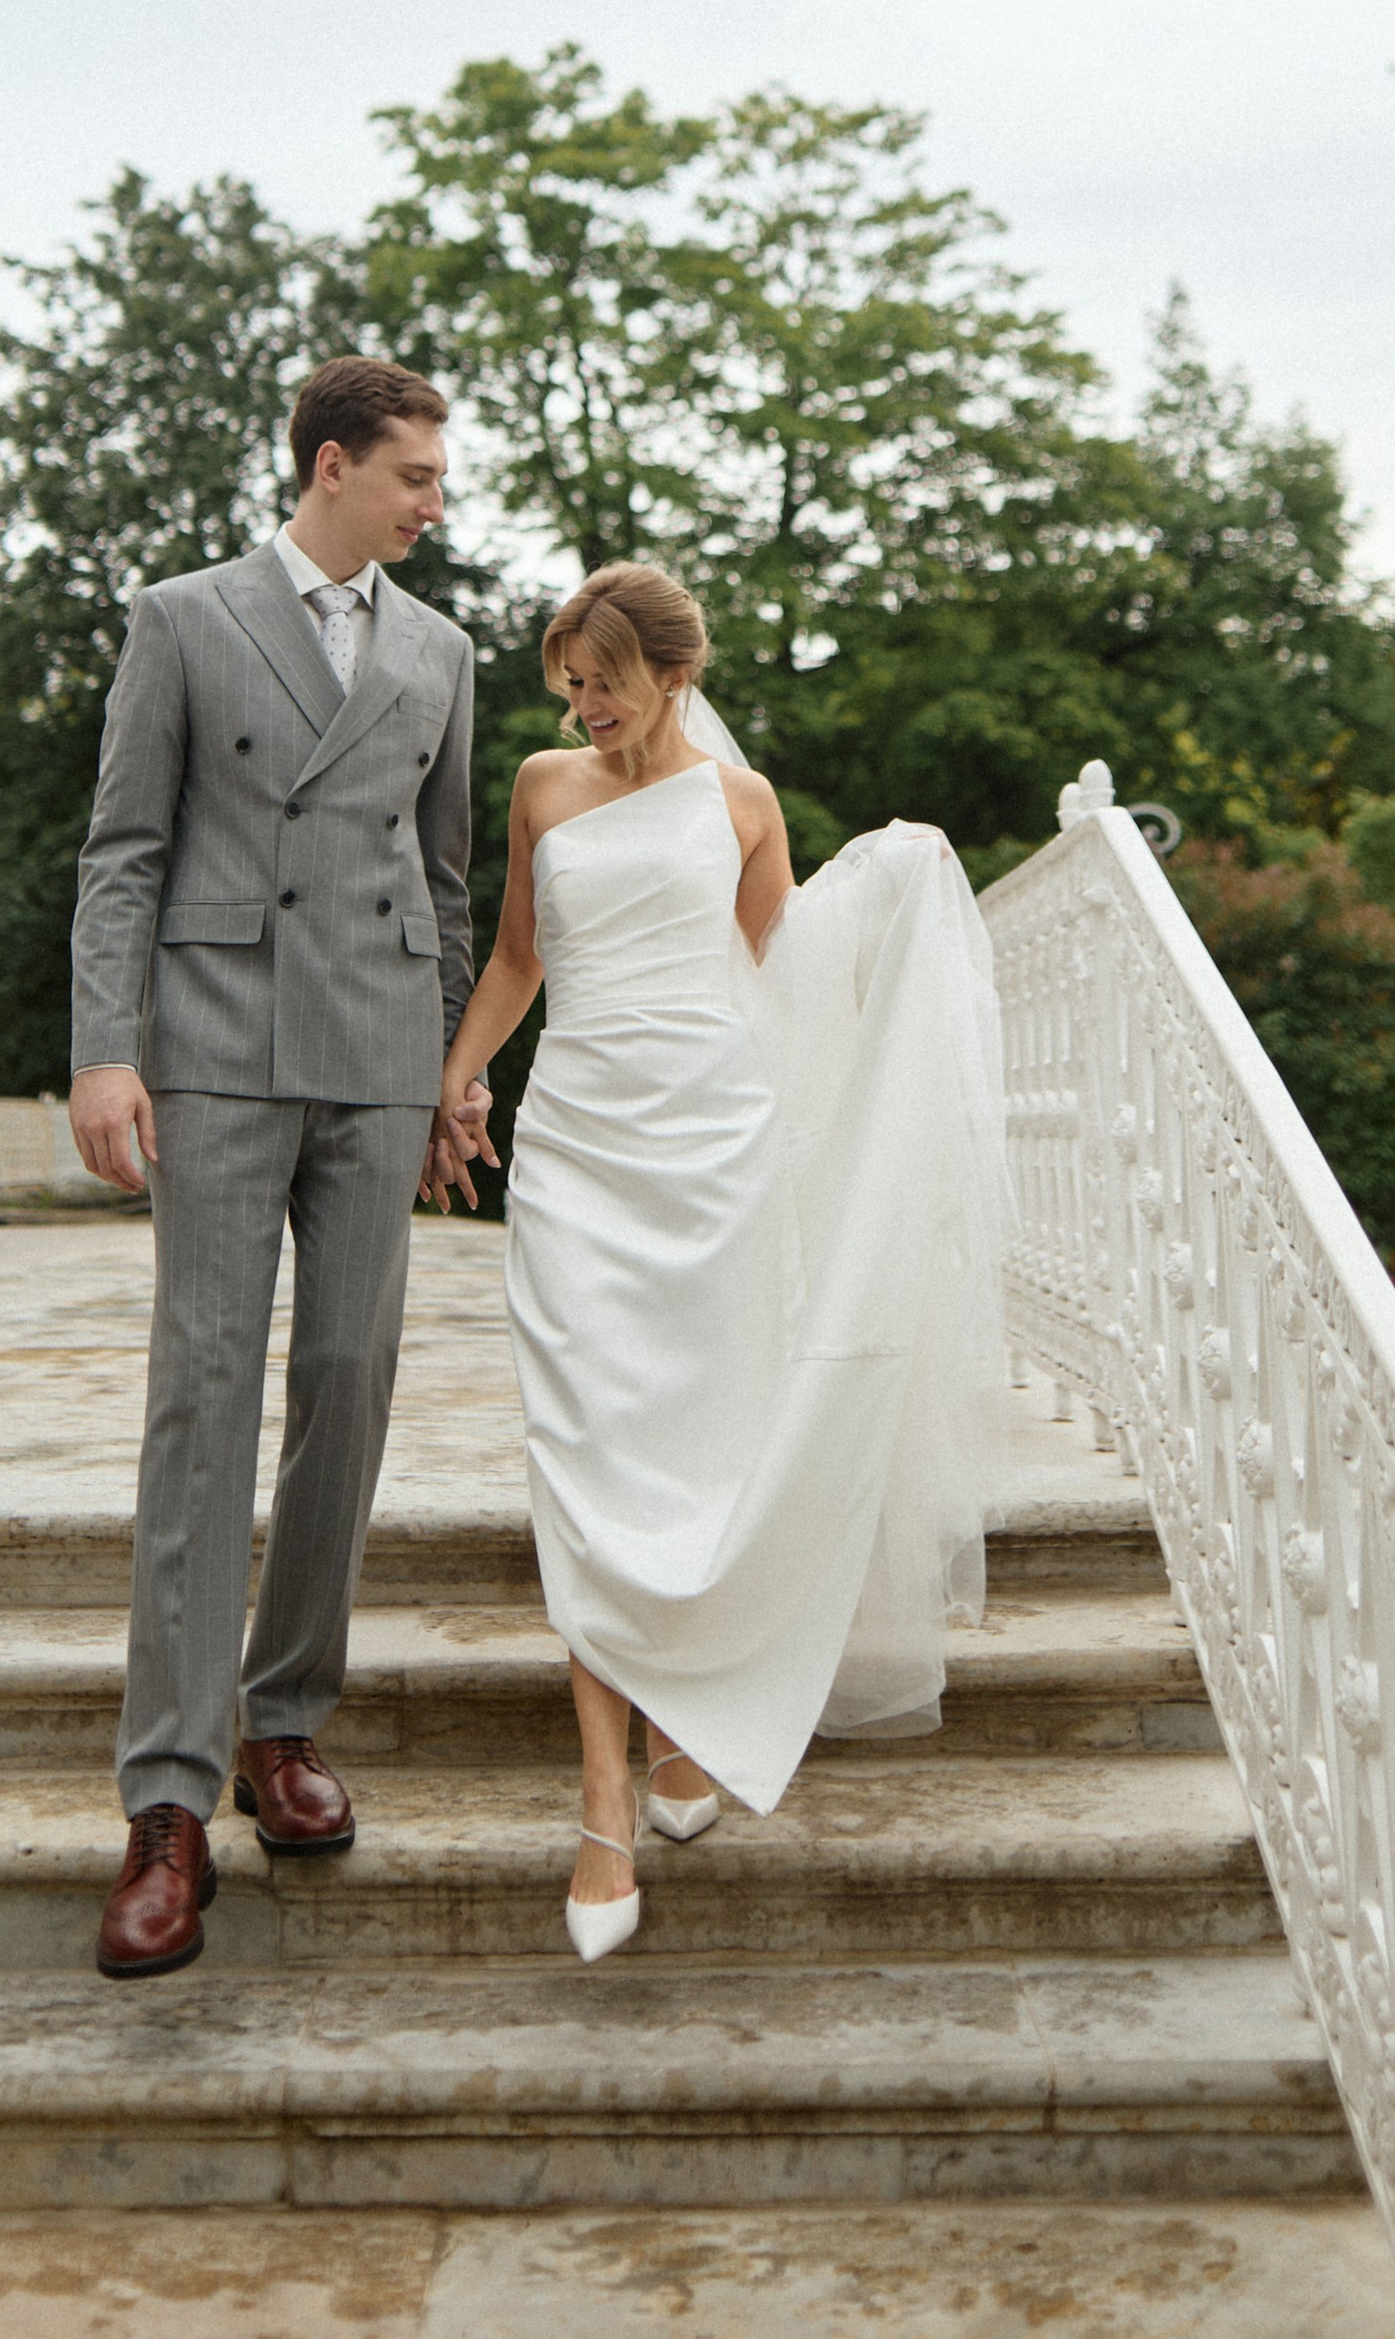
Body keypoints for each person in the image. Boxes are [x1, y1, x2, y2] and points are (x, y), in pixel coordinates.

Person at [435, 561, 1013, 1960]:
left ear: (675, 674)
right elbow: (518, 953)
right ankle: (601, 1801)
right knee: (586, 1450)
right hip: (576, 1150)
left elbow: (785, 973)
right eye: (566, 680)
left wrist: (890, 883)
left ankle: (687, 1719)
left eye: (604, 681)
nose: (581, 707)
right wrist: (457, 1078)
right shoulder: (541, 786)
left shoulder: (744, 807)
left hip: (713, 1155)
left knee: (702, 1448)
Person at [67, 356, 496, 1979]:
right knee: (202, 1386)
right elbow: (123, 851)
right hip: (220, 1038)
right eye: (417, 475)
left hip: (380, 1055)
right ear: (332, 467)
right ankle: (166, 1803)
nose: (435, 501)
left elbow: (443, 881)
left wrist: (452, 1070)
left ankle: (284, 1719)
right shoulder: (184, 617)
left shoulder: (442, 652)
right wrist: (110, 1045)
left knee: (349, 1374)